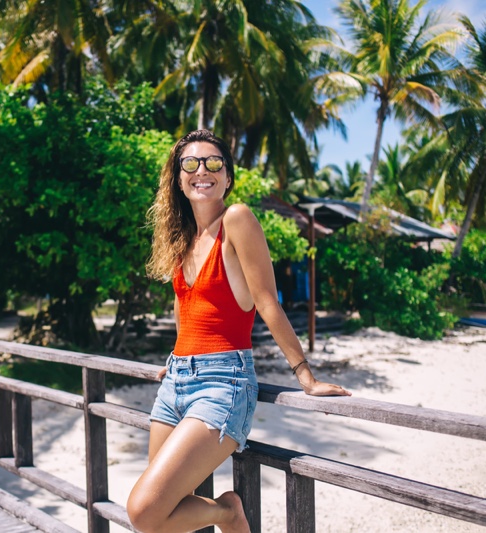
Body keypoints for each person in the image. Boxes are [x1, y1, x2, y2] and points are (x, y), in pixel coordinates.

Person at [126, 129, 351, 533]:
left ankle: (228, 513)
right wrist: (178, 354)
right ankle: (224, 512)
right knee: (162, 512)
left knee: (144, 511)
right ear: (178, 178)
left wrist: (306, 376)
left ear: (228, 176)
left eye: (213, 163)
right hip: (177, 378)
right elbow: (184, 303)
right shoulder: (183, 237)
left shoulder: (237, 219)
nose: (202, 171)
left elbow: (267, 302)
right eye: (190, 164)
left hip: (223, 383)